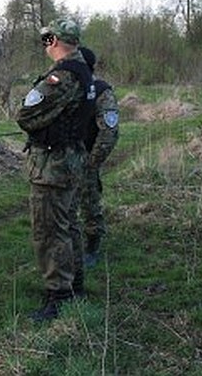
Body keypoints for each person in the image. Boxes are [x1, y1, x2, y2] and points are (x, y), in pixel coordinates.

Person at [15, 17, 96, 322]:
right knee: (67, 225)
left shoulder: (63, 76)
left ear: (57, 41)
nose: (45, 44)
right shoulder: (83, 70)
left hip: (54, 164)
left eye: (47, 39)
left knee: (50, 231)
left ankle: (58, 295)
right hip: (70, 159)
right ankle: (73, 286)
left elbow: (25, 115)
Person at [78, 47, 119, 268]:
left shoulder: (101, 91)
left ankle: (92, 244)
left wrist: (93, 162)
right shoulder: (66, 87)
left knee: (89, 202)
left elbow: (109, 132)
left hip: (86, 156)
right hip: (62, 156)